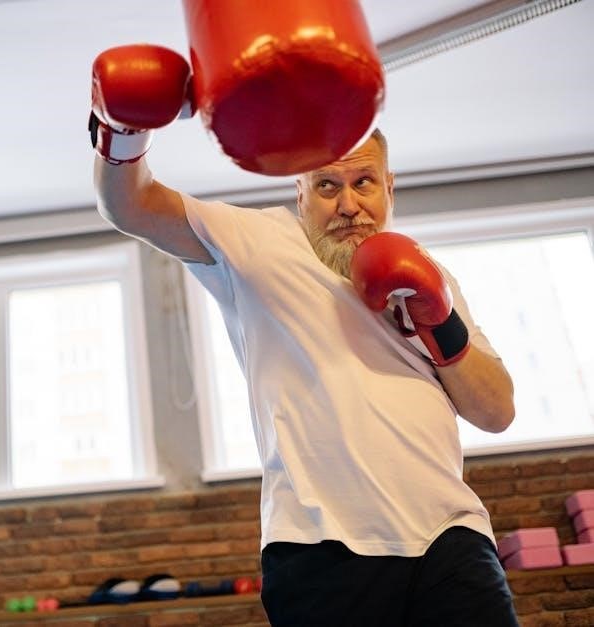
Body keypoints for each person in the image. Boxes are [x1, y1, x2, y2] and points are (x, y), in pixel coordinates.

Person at [91, 46, 519, 627]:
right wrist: (122, 131)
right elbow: (132, 206)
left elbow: (497, 412)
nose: (348, 205)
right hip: (320, 545)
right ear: (299, 194)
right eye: (326, 186)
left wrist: (438, 318)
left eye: (364, 182)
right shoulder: (259, 243)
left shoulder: (431, 275)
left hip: (451, 536)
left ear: (389, 187)